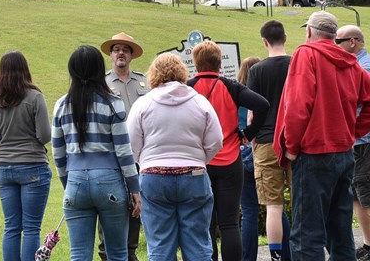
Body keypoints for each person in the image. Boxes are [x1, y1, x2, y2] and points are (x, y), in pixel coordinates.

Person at [274, 11, 370, 260]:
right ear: (334, 36)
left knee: (307, 234)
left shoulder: (306, 54)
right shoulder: (351, 61)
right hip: (344, 153)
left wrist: (292, 146)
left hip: (313, 153)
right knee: (340, 231)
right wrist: (353, 131)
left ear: (309, 32)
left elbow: (297, 105)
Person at [127, 53, 223, 261]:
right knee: (198, 244)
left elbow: (131, 145)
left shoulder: (143, 104)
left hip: (153, 176)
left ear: (153, 75)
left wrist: (145, 161)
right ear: (182, 73)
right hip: (194, 175)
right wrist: (199, 160)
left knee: (160, 246)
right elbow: (216, 141)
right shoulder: (200, 102)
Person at [52, 44, 141, 261]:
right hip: (109, 182)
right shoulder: (113, 103)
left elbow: (58, 153)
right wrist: (134, 189)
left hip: (75, 182)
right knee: (118, 253)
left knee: (79, 254)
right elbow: (123, 150)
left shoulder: (61, 105)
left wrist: (68, 184)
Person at [188, 40, 269, 261]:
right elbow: (263, 105)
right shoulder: (231, 86)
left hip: (200, 162)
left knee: (207, 224)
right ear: (219, 63)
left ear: (195, 63)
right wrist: (248, 133)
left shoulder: (188, 88)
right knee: (230, 223)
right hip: (230, 159)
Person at [0, 51, 52, 261]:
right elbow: (44, 136)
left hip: (5, 168)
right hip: (33, 166)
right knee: (31, 228)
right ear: (25, 69)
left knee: (11, 227)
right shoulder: (35, 97)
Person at [98, 31, 148, 261]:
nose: (121, 52)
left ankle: (130, 251)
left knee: (135, 204)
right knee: (110, 204)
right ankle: (106, 252)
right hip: (111, 157)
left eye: (125, 49)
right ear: (111, 55)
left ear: (131, 56)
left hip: (139, 155)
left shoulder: (144, 82)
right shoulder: (102, 83)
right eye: (116, 49)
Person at [246, 20, 292, 261]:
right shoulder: (297, 64)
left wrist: (250, 136)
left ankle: (275, 257)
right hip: (296, 140)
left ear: (264, 41)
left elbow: (253, 110)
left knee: (274, 206)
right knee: (303, 201)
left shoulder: (257, 71)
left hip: (265, 141)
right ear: (285, 37)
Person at [335, 25, 370, 261]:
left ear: (353, 42)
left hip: (364, 140)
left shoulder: (363, 68)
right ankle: (368, 244)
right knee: (357, 194)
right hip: (356, 140)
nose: (335, 44)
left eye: (339, 40)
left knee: (365, 192)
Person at [237, 56, 261, 261]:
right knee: (275, 207)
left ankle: (248, 258)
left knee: (249, 211)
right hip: (262, 151)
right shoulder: (264, 96)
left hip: (241, 154)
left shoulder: (237, 97)